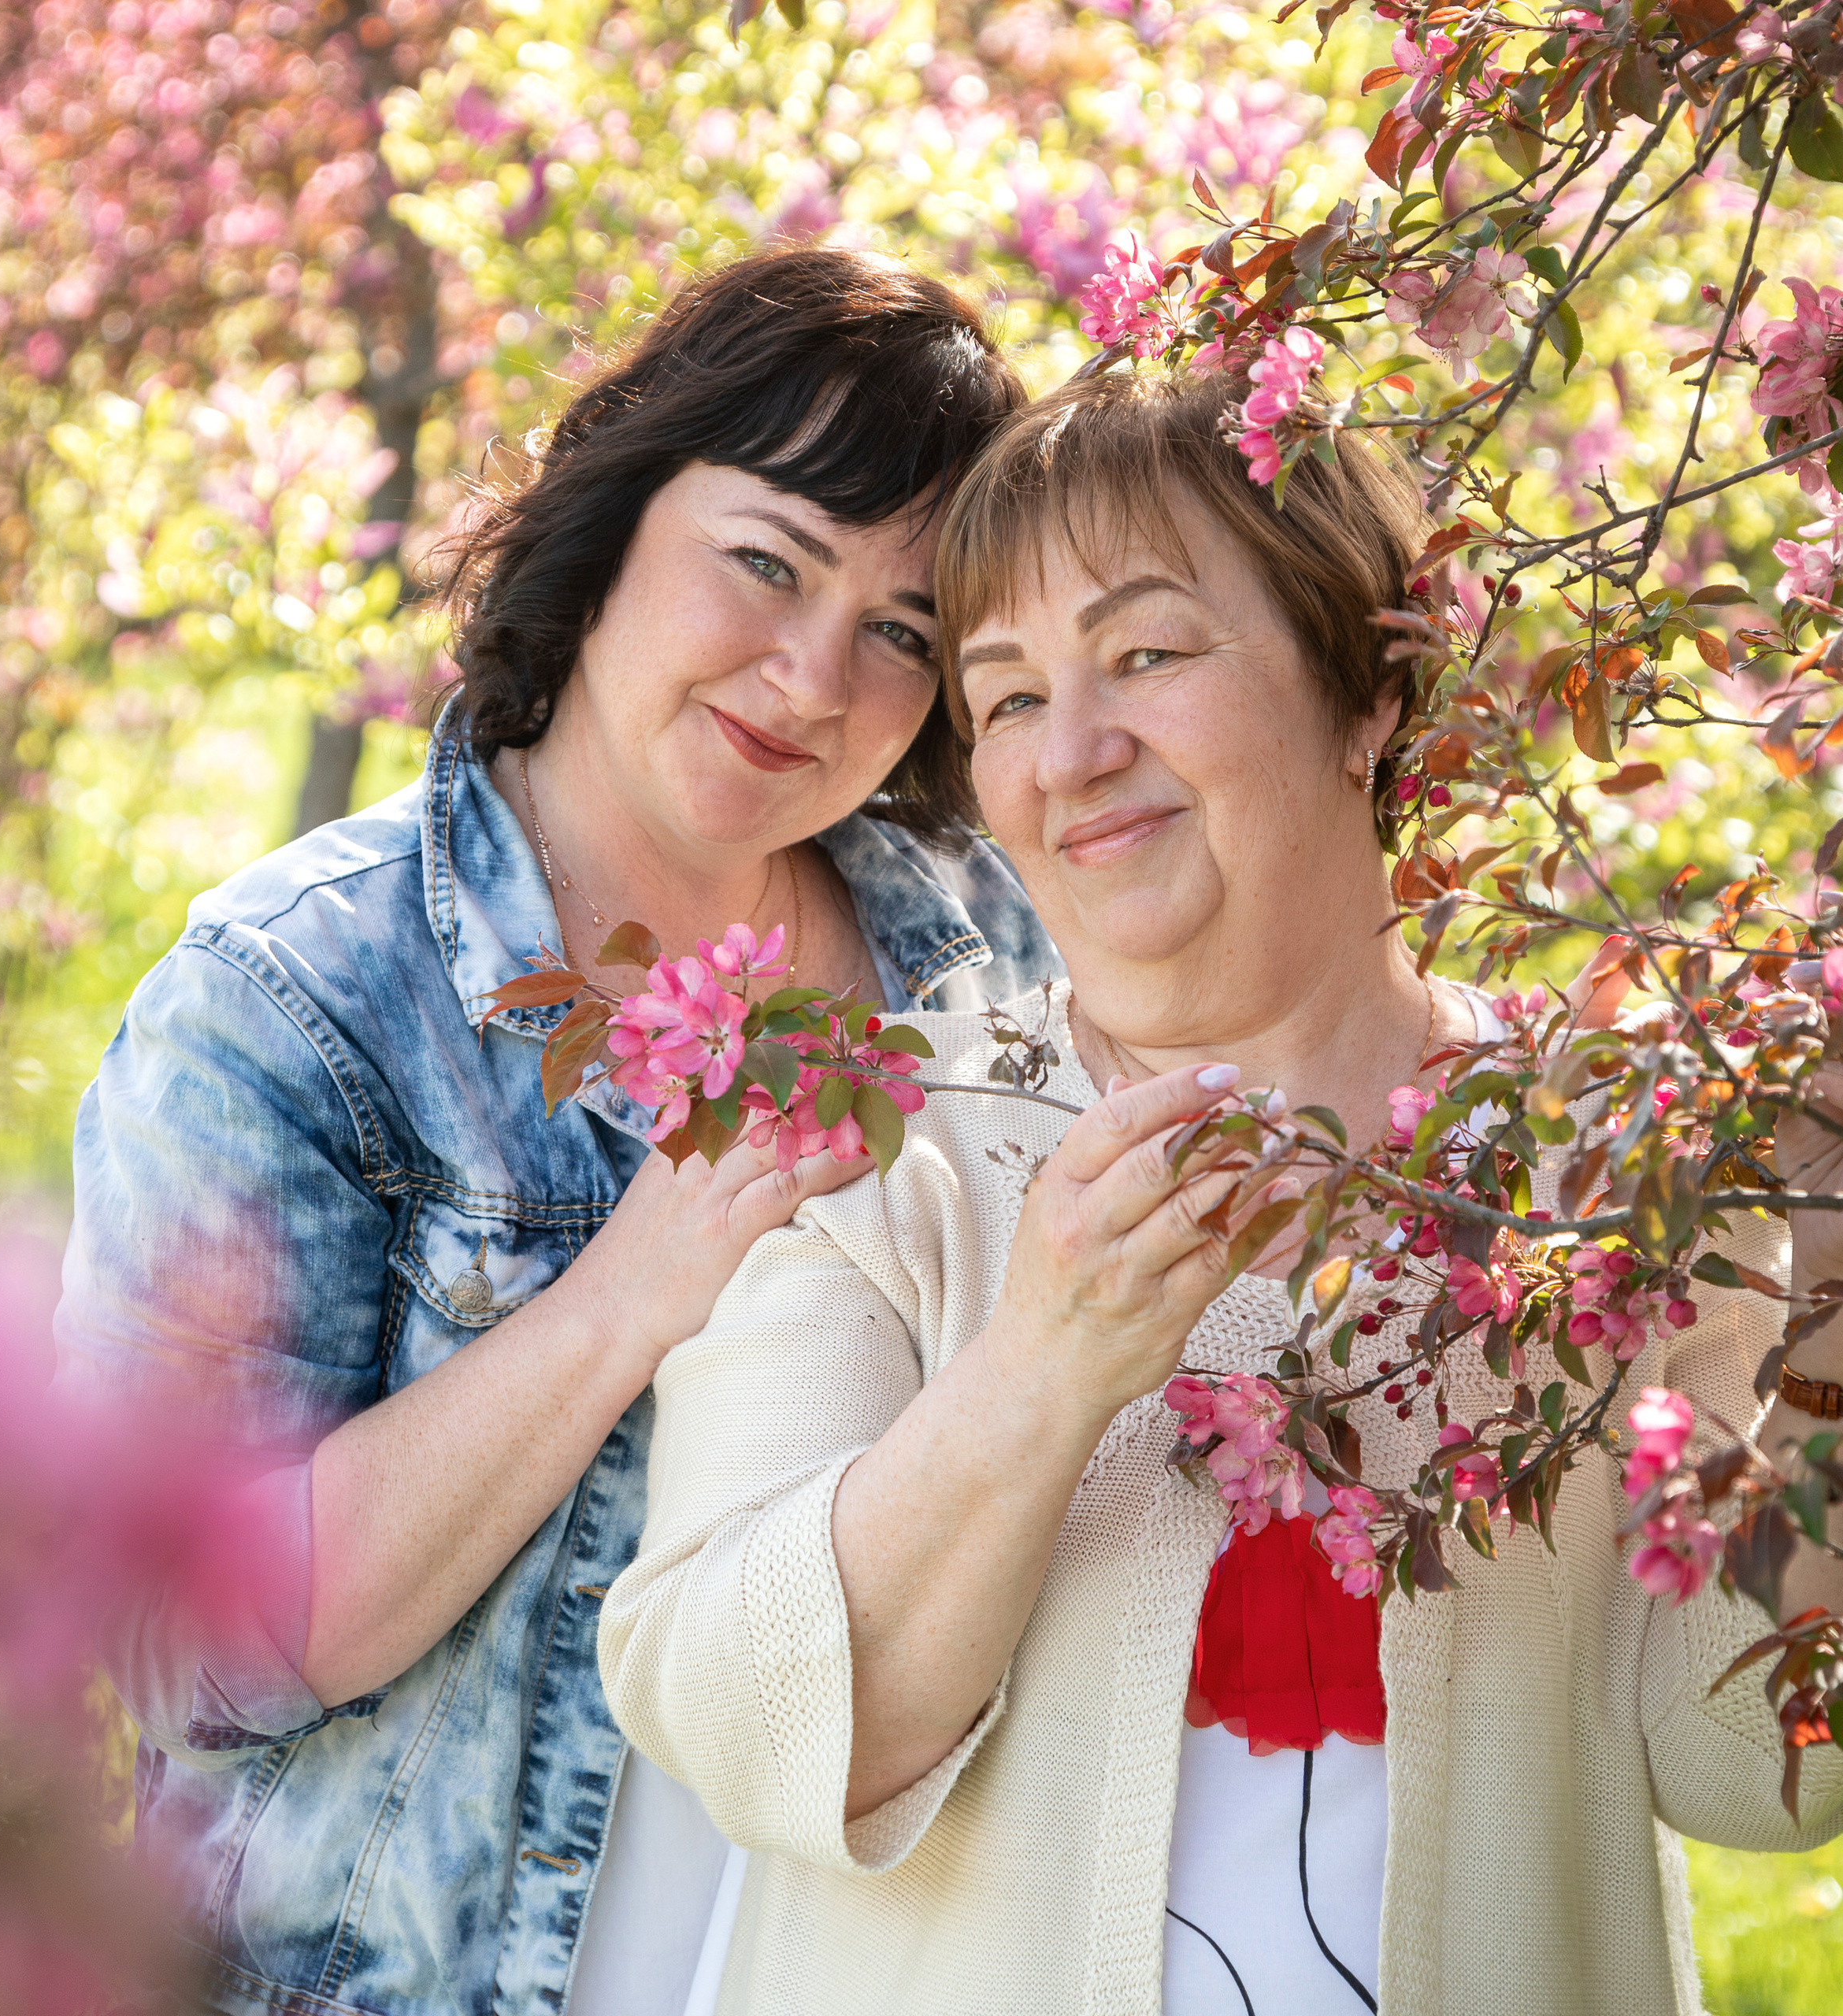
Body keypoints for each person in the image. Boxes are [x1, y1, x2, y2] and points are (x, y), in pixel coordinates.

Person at [598, 365, 1843, 2016]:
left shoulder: (1605, 1168)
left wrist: (1820, 1265)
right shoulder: (881, 1152)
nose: (1074, 752)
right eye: (1009, 698)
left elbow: (1755, 1760)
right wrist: (1040, 1366)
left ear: (1364, 693)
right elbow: (745, 1732)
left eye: (1146, 654)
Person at [53, 246, 1062, 2016]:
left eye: (899, 629)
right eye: (765, 561)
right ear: (611, 518)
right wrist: (626, 1291)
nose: (813, 676)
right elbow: (185, 1640)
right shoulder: (300, 996)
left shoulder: (988, 962)